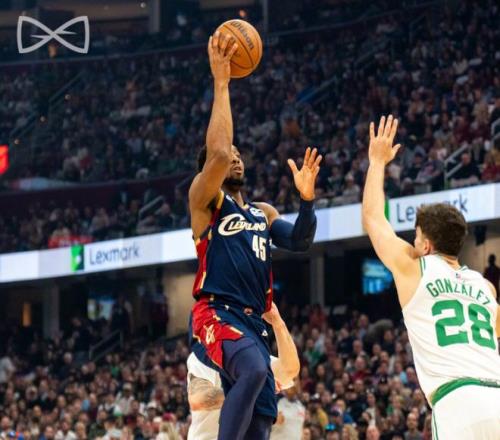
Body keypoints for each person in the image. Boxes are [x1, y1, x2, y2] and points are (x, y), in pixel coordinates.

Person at [189, 31, 320, 439]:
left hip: (253, 323)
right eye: (229, 157)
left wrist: (307, 200)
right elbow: (218, 152)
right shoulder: (206, 200)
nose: (234, 158)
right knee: (253, 368)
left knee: (261, 419)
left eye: (239, 155)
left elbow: (300, 240)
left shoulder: (262, 212)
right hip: (217, 313)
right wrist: (222, 83)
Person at [362, 115, 500, 439]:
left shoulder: (415, 267)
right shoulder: (485, 287)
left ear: (426, 245)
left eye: (415, 237)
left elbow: (372, 218)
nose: (412, 243)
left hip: (455, 401)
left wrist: (377, 162)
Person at [187, 303, 300, 440]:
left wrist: (278, 323)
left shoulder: (256, 358)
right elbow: (198, 399)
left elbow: (289, 371)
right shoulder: (204, 353)